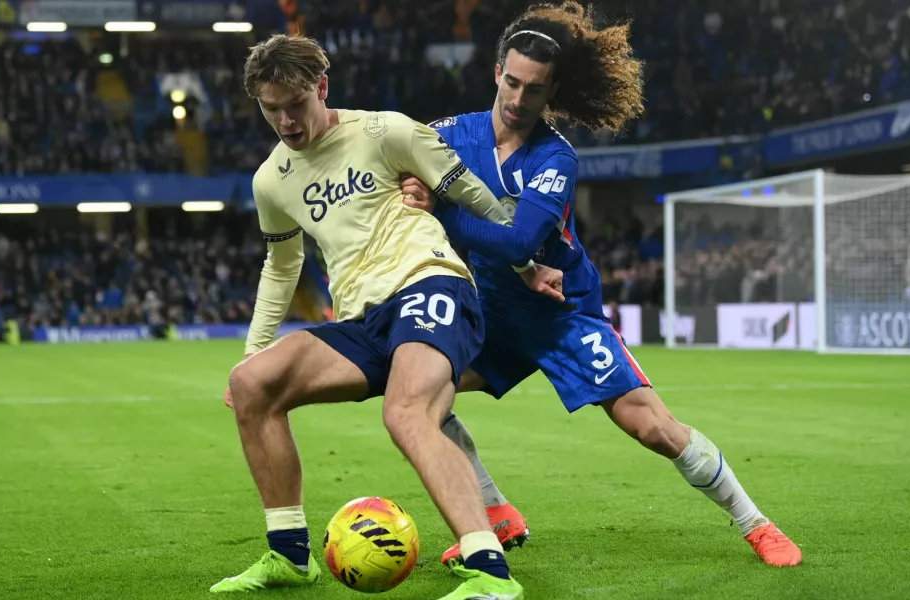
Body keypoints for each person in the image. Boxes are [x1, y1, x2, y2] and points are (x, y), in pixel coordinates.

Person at [399, 1, 803, 569]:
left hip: (561, 313)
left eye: (534, 90)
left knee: (652, 427)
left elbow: (519, 243)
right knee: (416, 394)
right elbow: (390, 171)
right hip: (490, 313)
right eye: (511, 82)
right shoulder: (443, 137)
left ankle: (756, 524)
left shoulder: (555, 158)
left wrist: (437, 210)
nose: (518, 100)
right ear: (496, 73)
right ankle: (494, 513)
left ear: (552, 93)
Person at [211, 33, 563, 598]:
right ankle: (289, 556)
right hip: (362, 323)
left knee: (406, 414)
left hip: (431, 285)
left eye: (296, 105)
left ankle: (490, 572)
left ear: (321, 88)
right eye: (270, 109)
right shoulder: (271, 181)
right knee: (252, 384)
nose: (286, 122)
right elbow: (282, 268)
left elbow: (475, 195)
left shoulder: (385, 131)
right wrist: (255, 349)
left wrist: (526, 263)